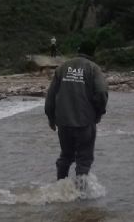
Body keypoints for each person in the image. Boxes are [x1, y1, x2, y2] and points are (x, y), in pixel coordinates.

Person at [44, 42, 107, 181]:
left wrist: (51, 117)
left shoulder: (62, 68)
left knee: (66, 156)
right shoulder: (93, 68)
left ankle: (61, 188)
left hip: (64, 122)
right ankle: (81, 195)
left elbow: (51, 95)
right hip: (85, 121)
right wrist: (99, 113)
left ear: (78, 50)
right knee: (84, 159)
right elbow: (101, 92)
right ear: (93, 53)